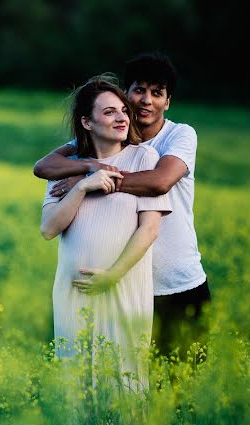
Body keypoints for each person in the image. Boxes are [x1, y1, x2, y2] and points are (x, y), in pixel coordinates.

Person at [35, 51, 210, 361]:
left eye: (157, 93)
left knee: (181, 394)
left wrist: (94, 180)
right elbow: (44, 166)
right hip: (129, 289)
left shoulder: (178, 136)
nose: (146, 100)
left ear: (167, 102)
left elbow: (159, 182)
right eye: (138, 90)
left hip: (177, 283)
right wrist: (88, 168)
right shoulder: (109, 138)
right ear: (126, 94)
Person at [41, 73, 171, 392]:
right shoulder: (70, 166)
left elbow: (149, 229)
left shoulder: (144, 157)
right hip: (74, 292)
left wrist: (112, 276)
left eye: (123, 110)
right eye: (109, 112)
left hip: (122, 287)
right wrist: (84, 184)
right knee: (77, 387)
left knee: (124, 383)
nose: (122, 117)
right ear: (87, 122)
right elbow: (49, 228)